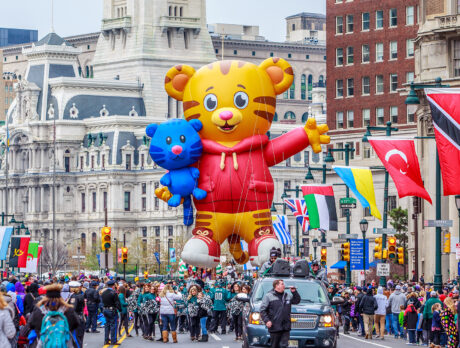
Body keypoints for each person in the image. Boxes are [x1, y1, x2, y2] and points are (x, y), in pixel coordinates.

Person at [260, 279, 300, 348]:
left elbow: (297, 300)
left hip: (285, 327)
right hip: (275, 327)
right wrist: (267, 320)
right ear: (277, 286)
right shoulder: (269, 296)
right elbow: (262, 310)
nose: (284, 285)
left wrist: (294, 292)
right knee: (275, 346)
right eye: (282, 284)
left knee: (284, 346)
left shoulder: (287, 296)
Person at [101, 279, 121, 345]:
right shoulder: (114, 293)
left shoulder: (103, 293)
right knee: (113, 325)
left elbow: (101, 303)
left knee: (107, 325)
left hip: (105, 310)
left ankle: (106, 340)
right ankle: (113, 340)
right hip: (112, 310)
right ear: (113, 286)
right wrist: (120, 309)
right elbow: (117, 303)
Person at [68, 281, 86, 348]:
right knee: (80, 338)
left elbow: (73, 308)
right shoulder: (81, 295)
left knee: (76, 338)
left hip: (76, 319)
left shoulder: (74, 297)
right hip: (80, 317)